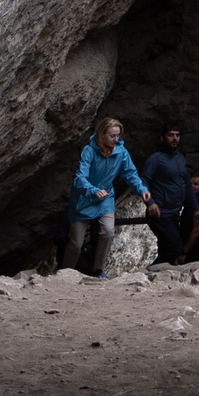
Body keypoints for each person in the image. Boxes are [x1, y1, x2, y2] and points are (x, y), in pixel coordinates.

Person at [64, 116, 154, 278]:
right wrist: (92, 190)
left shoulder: (120, 152)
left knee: (108, 232)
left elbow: (130, 173)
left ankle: (98, 269)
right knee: (76, 244)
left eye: (118, 135)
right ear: (102, 135)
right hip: (84, 198)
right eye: (112, 135)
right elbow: (80, 178)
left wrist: (141, 189)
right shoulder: (89, 151)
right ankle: (65, 272)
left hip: (105, 198)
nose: (116, 139)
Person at [141, 124, 197, 271]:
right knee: (176, 246)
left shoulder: (180, 158)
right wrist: (150, 203)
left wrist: (195, 207)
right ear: (162, 137)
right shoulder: (156, 159)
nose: (175, 138)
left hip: (174, 213)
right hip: (159, 212)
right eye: (171, 135)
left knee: (166, 249)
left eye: (177, 135)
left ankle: (156, 276)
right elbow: (143, 182)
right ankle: (149, 272)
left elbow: (186, 184)